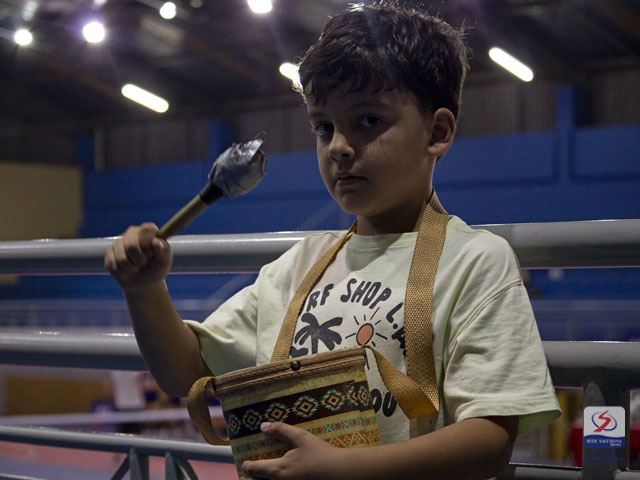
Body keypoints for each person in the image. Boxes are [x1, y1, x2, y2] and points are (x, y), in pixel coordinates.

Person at [104, 3, 560, 479]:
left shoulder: (474, 261)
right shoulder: (296, 267)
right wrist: (145, 290)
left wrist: (345, 468)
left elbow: (490, 439)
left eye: (368, 121)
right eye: (324, 127)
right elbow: (185, 372)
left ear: (437, 132)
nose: (338, 146)